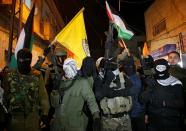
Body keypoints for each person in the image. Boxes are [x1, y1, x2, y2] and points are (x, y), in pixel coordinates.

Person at [2, 48, 50, 131]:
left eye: (26, 60)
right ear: (17, 59)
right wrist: (3, 117)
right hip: (14, 120)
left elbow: (43, 96)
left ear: (30, 60)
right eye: (21, 60)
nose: (23, 62)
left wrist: (45, 114)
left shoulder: (37, 75)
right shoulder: (9, 75)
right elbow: (4, 96)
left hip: (33, 120)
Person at [51, 58, 100, 131]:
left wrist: (96, 117)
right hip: (58, 124)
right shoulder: (61, 82)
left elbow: (91, 100)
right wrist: (55, 90)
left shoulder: (82, 83)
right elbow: (55, 105)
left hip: (74, 125)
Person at [140, 58, 184, 131]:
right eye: (158, 67)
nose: (160, 70)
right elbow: (142, 100)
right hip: (154, 122)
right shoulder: (152, 81)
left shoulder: (176, 83)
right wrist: (150, 87)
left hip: (171, 122)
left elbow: (181, 103)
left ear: (167, 68)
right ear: (154, 68)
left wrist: (164, 103)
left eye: (163, 67)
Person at [94, 56, 133, 131]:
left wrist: (117, 73)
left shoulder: (119, 75)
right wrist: (107, 80)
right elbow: (98, 96)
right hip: (109, 121)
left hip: (125, 118)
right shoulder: (99, 79)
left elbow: (130, 87)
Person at [121, 56, 145, 131]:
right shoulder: (122, 77)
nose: (128, 67)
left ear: (133, 66)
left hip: (138, 112)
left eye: (130, 65)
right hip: (128, 113)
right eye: (126, 65)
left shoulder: (138, 77)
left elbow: (139, 92)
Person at [167, 51, 186, 130]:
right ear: (168, 59)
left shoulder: (183, 71)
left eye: (175, 57)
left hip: (181, 101)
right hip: (168, 102)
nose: (172, 59)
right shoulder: (164, 71)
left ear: (179, 59)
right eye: (170, 57)